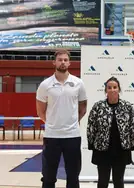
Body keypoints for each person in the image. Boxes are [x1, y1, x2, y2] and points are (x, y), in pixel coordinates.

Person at [36, 49, 87, 188]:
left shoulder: (78, 83)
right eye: (60, 60)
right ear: (54, 62)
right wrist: (53, 123)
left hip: (72, 136)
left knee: (73, 176)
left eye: (65, 60)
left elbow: (83, 108)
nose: (63, 62)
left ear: (69, 63)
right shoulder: (45, 85)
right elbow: (40, 111)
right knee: (48, 176)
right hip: (52, 136)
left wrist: (72, 123)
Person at [87, 76, 134, 188]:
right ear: (105, 90)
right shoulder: (98, 106)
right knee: (102, 181)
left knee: (118, 181)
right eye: (109, 87)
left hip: (121, 149)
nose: (112, 89)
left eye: (115, 87)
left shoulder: (127, 106)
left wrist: (131, 144)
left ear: (119, 89)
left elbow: (132, 127)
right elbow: (91, 126)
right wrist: (91, 143)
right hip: (102, 149)